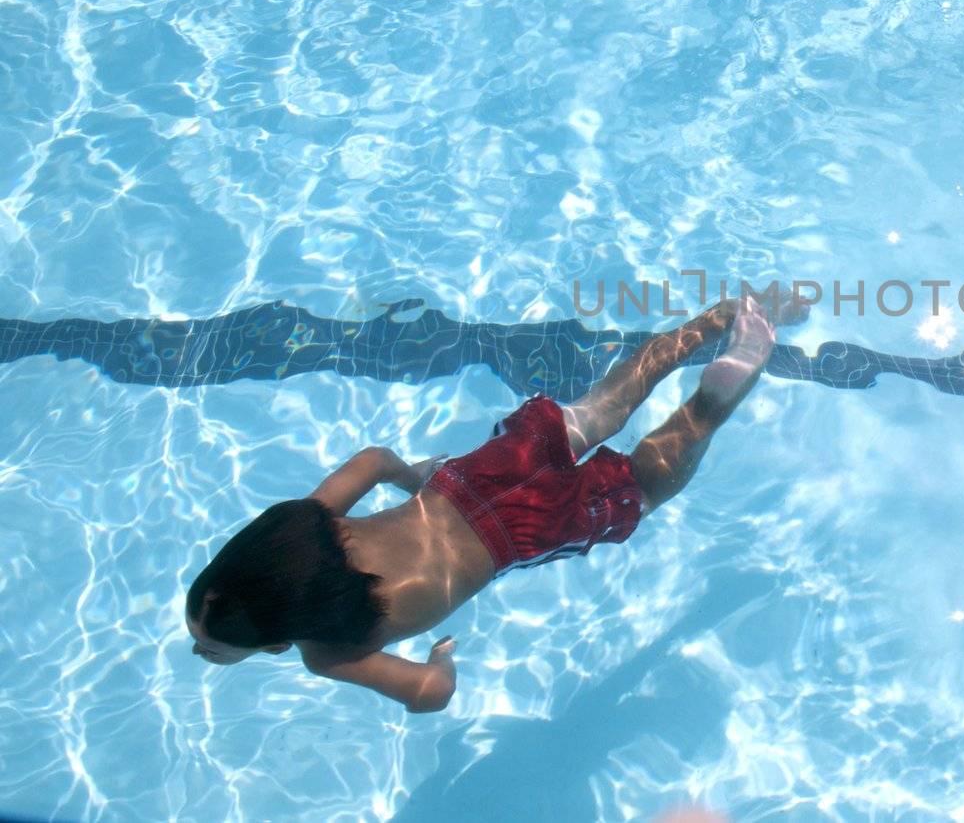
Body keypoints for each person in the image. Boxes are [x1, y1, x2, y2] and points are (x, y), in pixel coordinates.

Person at [185, 293, 800, 711]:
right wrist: (411, 480)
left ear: (273, 643)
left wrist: (440, 656)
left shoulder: (328, 654)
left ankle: (719, 394)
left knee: (647, 482)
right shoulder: (305, 525)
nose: (198, 651)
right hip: (475, 478)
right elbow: (372, 459)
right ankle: (724, 316)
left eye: (209, 648)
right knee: (604, 404)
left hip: (520, 533)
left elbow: (430, 695)